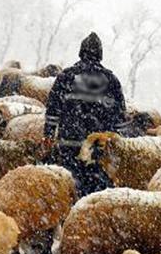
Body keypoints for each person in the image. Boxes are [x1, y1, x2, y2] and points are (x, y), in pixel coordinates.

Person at [43, 32, 126, 197]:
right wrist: (117, 145)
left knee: (69, 190)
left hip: (69, 144)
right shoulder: (112, 81)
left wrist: (49, 134)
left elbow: (53, 110)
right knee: (96, 195)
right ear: (100, 55)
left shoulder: (66, 77)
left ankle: (72, 217)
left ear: (81, 52)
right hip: (99, 150)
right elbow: (120, 120)